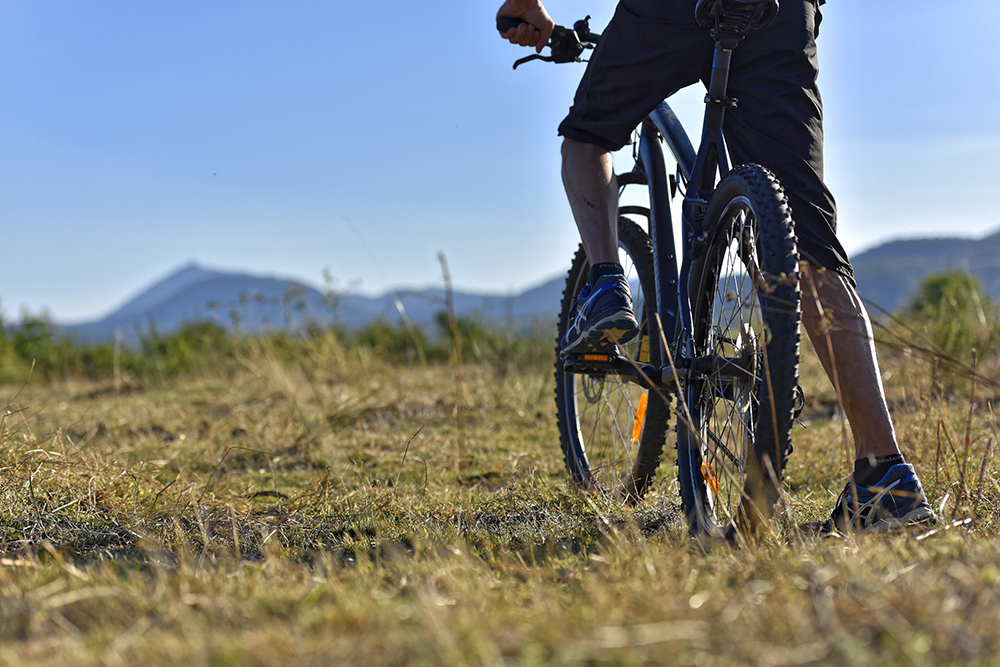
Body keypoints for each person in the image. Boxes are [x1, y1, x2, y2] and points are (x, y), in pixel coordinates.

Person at [497, 0, 937, 534]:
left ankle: (608, 282)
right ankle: (885, 477)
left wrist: (529, 9)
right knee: (808, 246)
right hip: (779, 12)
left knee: (586, 139)